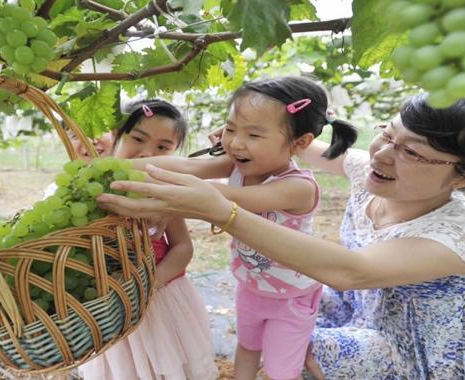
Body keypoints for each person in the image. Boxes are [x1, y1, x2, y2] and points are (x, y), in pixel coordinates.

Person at [96, 90, 465, 379]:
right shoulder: (370, 167)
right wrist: (249, 140)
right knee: (285, 338)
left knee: (300, 351)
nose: (384, 154)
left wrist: (220, 208)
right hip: (358, 311)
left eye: (411, 151)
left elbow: (351, 271)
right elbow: (289, 144)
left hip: (428, 350)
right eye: (389, 134)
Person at [127, 77, 357, 380]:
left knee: (280, 370)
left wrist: (161, 190)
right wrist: (119, 167)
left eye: (254, 134)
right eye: (231, 128)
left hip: (291, 298)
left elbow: (228, 199)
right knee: (247, 348)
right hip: (250, 286)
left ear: (300, 142)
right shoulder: (238, 165)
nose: (235, 143)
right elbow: (188, 167)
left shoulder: (297, 187)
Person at [79, 99, 218, 380]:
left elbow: (182, 247)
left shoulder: (165, 190)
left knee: (167, 370)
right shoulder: (92, 191)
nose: (148, 153)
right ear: (117, 137)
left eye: (163, 148)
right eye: (138, 139)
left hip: (159, 301)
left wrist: (149, 284)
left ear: (174, 154)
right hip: (112, 308)